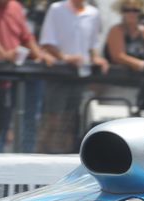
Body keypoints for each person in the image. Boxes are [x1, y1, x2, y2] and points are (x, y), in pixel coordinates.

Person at [0, 0, 54, 152]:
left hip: (13, 78)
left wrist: (39, 55)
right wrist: (5, 55)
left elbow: (26, 37)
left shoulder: (15, 7)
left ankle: (27, 162)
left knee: (23, 122)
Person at [38, 0, 109, 153]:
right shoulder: (56, 9)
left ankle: (66, 158)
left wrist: (96, 58)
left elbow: (92, 45)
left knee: (71, 122)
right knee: (52, 120)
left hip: (80, 77)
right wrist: (65, 58)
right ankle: (42, 156)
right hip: (58, 75)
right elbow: (47, 42)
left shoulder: (93, 13)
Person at [104, 0, 144, 72]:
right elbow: (118, 56)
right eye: (127, 10)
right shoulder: (116, 30)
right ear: (122, 12)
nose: (131, 13)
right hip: (119, 77)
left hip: (141, 78)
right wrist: (142, 65)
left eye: (135, 10)